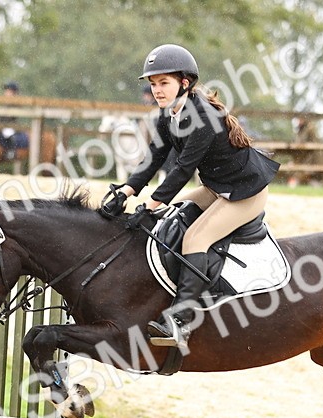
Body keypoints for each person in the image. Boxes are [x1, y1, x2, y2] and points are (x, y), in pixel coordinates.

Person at [100, 44, 279, 349]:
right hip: (217, 188)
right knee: (175, 216)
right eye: (153, 84)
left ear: (185, 82)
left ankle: (181, 320)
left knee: (195, 239)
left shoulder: (204, 116)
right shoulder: (167, 114)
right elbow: (154, 158)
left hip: (245, 192)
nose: (157, 90)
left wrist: (150, 204)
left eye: (164, 83)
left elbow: (183, 169)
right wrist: (125, 190)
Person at [0, 82, 31, 161]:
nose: (6, 93)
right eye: (6, 91)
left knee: (7, 133)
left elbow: (11, 116)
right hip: (1, 125)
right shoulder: (5, 102)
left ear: (14, 92)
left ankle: (11, 152)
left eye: (8, 91)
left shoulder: (16, 102)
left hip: (11, 125)